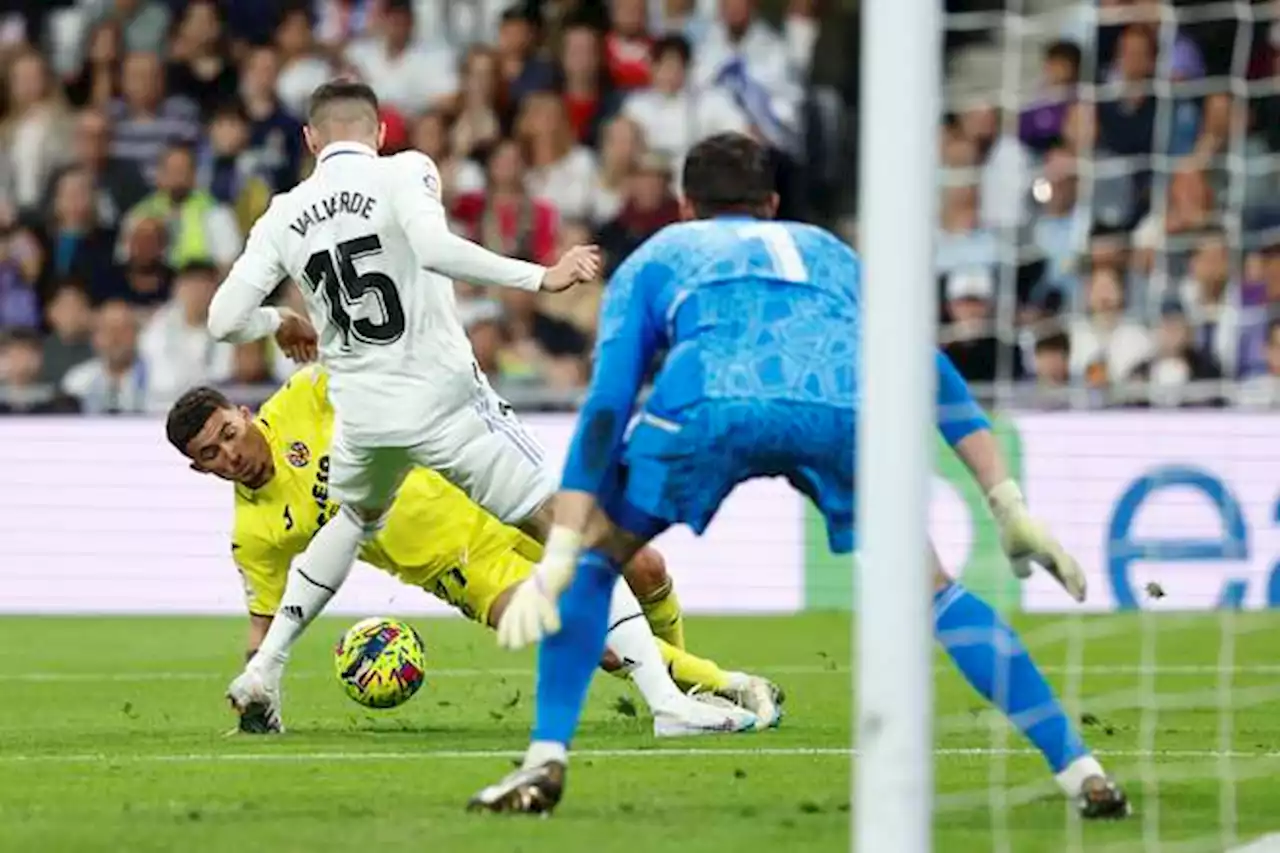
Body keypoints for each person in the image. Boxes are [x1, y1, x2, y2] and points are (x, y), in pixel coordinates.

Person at [468, 132, 1130, 820]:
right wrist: (1005, 498)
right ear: (773, 203)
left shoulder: (661, 255)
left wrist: (567, 542)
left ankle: (545, 761)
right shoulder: (829, 253)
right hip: (838, 407)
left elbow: (609, 402)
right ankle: (1080, 768)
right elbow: (925, 367)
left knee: (600, 564)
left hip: (711, 404)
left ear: (686, 206)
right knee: (933, 588)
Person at [202, 80, 665, 735]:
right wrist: (541, 275)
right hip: (442, 402)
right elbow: (437, 250)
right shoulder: (406, 170)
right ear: (380, 131)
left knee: (355, 517)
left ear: (309, 140)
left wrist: (280, 315)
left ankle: (265, 666)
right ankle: (669, 701)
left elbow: (222, 320)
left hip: (364, 414)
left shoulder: (283, 211)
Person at [164, 369, 774, 735]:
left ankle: (683, 681)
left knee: (645, 566)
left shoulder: (303, 398)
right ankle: (727, 686)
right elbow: (265, 624)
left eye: (228, 431)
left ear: (243, 413)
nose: (230, 450)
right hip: (461, 568)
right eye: (211, 452)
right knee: (601, 644)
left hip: (490, 488)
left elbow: (362, 362)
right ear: (197, 469)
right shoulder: (256, 533)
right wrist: (259, 692)